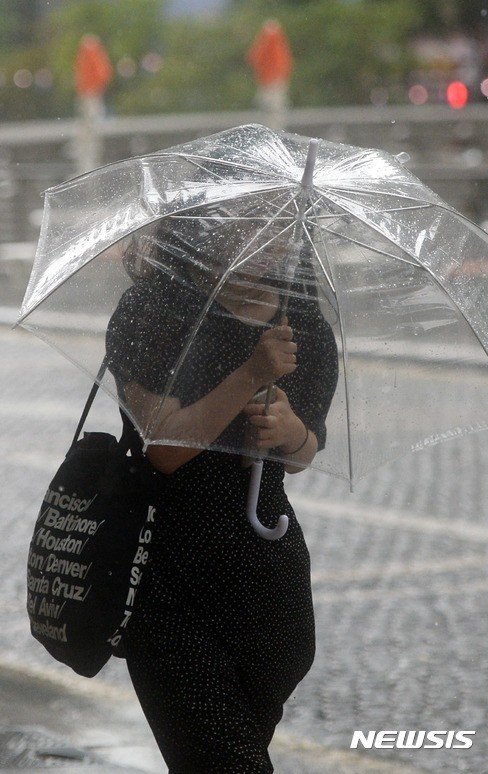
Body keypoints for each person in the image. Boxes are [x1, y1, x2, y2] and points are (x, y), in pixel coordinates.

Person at [106, 214, 338, 773]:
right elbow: (164, 449)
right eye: (249, 221)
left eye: (282, 223)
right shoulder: (155, 310)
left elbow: (305, 453)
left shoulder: (300, 319)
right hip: (169, 578)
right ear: (204, 225)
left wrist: (291, 434)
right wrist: (250, 375)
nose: (268, 237)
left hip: (268, 582)